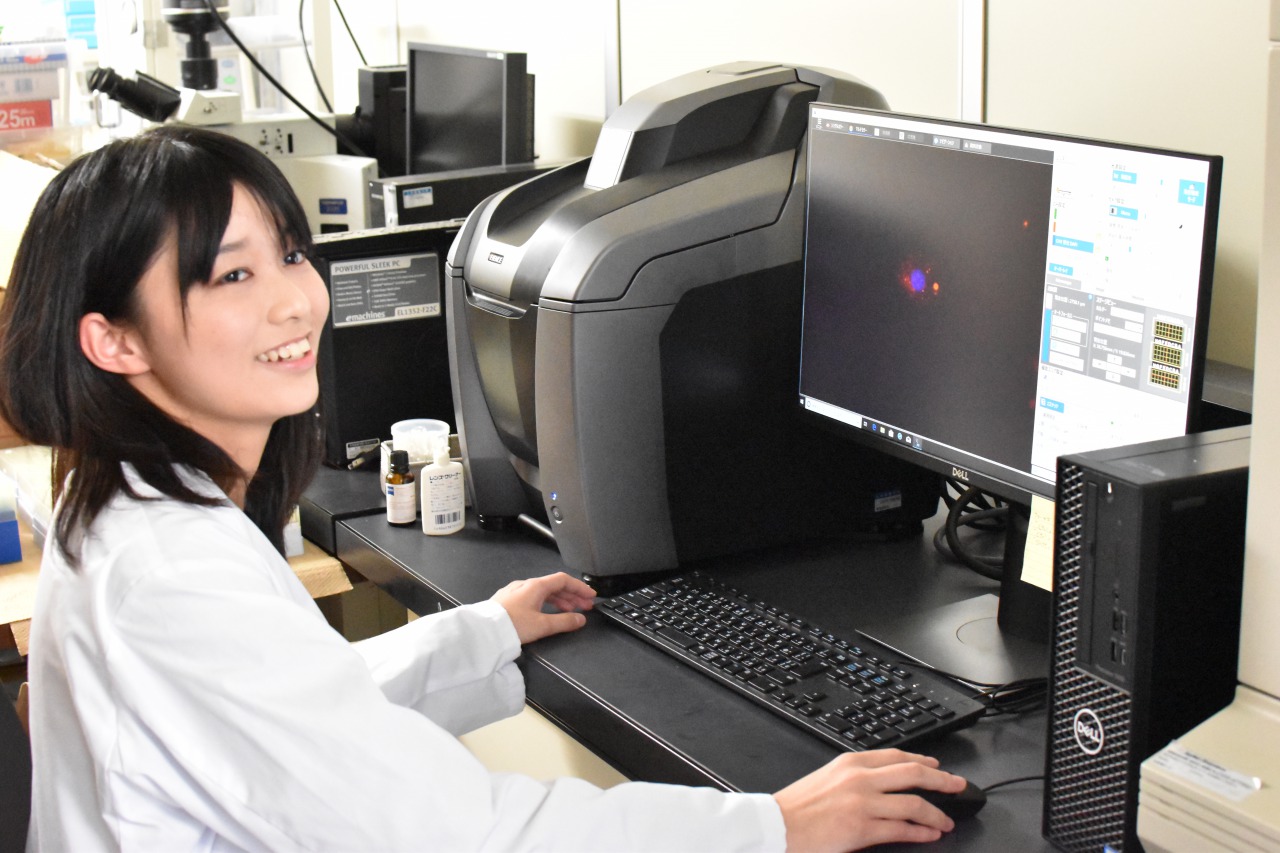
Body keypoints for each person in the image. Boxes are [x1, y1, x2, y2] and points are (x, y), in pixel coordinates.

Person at [0, 124, 970, 851]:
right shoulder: (172, 572)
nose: (293, 299)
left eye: (288, 254)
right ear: (113, 340)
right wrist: (772, 827)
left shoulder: (123, 505)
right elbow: (455, 831)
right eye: (230, 277)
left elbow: (292, 716)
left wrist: (481, 632)